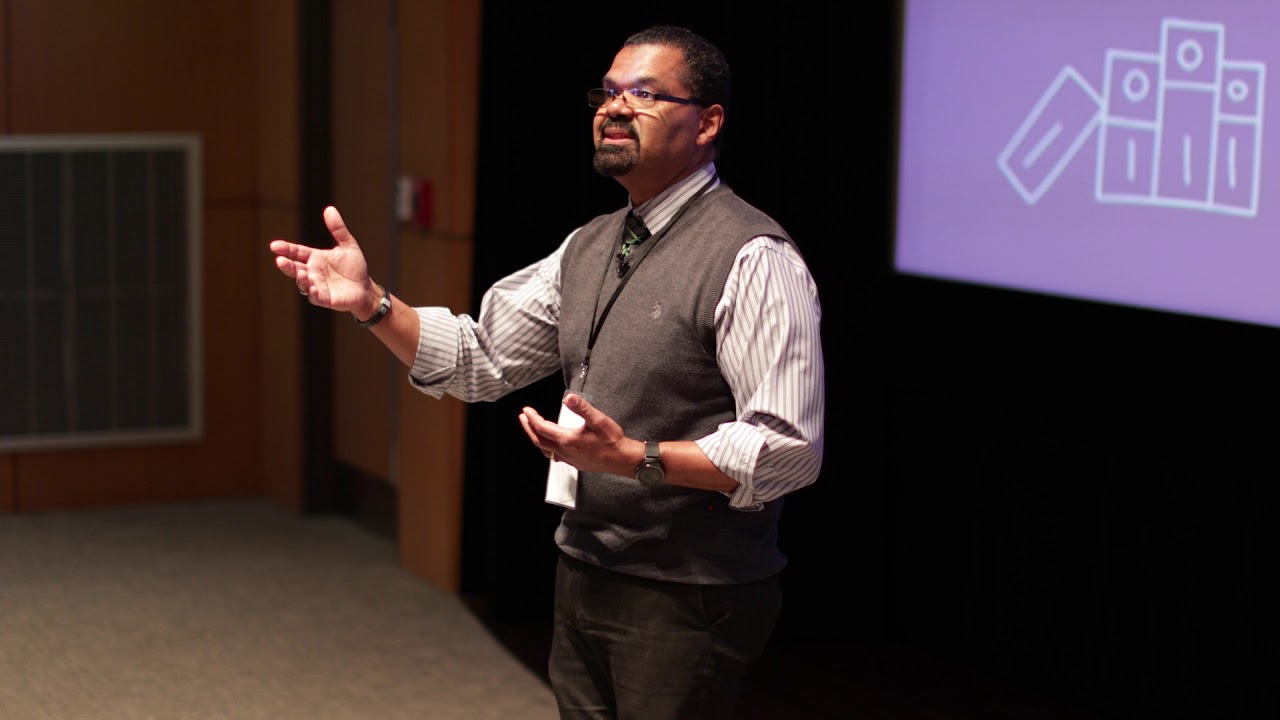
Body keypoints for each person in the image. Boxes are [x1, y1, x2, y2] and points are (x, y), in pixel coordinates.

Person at [270, 25, 825, 720]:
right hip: (584, 569)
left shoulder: (752, 256)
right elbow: (479, 359)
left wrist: (634, 458)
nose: (614, 108)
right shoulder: (589, 245)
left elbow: (788, 447)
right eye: (608, 92)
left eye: (644, 95)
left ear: (708, 122)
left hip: (689, 591)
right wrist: (374, 303)